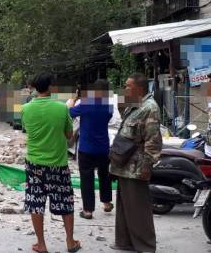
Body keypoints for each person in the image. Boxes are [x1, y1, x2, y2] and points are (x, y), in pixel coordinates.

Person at [22, 72, 81, 253]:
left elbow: (27, 130)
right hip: (58, 164)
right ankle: (70, 242)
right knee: (65, 201)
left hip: (34, 163)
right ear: (51, 88)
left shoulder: (26, 109)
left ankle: (41, 244)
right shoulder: (61, 108)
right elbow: (69, 136)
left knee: (35, 202)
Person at [110, 74, 162, 253]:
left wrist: (147, 166)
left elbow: (153, 140)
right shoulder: (134, 105)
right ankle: (124, 242)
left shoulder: (150, 107)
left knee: (138, 208)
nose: (125, 90)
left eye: (128, 86)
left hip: (137, 166)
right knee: (125, 205)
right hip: (124, 164)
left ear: (139, 88)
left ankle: (145, 246)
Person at [69, 79, 114, 219]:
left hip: (87, 148)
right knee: (104, 175)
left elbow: (69, 112)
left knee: (87, 179)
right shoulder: (109, 106)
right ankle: (107, 203)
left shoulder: (85, 104)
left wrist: (75, 98)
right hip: (103, 147)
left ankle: (88, 210)